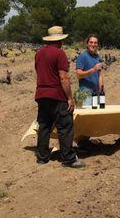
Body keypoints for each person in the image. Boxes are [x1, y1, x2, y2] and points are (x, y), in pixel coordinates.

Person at [34, 26, 85, 168]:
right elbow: (63, 78)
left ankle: (42, 157)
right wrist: (69, 98)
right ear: (60, 40)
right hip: (56, 95)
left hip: (41, 94)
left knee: (44, 126)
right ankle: (68, 158)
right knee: (65, 126)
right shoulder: (59, 53)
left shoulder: (38, 53)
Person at [75, 35, 104, 106]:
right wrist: (93, 69)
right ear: (87, 43)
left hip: (96, 93)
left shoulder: (97, 57)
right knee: (87, 116)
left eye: (95, 43)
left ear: (98, 45)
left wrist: (102, 88)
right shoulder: (82, 57)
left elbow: (99, 74)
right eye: (91, 42)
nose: (93, 44)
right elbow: (78, 75)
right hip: (86, 94)